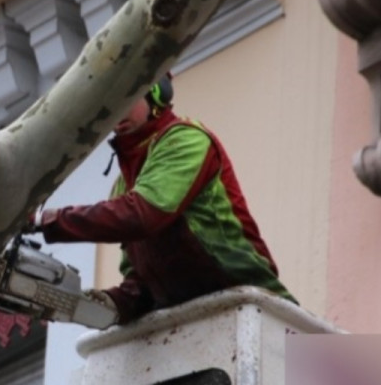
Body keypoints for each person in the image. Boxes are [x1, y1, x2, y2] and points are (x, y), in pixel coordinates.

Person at [28, 73, 296, 326]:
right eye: (110, 105)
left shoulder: (185, 140)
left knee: (320, 363)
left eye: (127, 97)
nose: (118, 111)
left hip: (263, 311)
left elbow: (143, 215)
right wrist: (97, 303)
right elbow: (141, 285)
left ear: (157, 93)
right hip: (202, 323)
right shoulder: (123, 186)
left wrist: (45, 220)